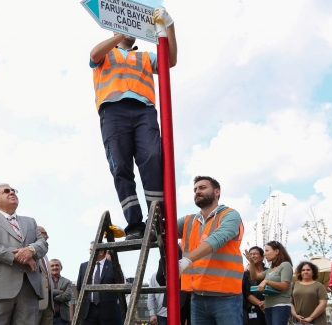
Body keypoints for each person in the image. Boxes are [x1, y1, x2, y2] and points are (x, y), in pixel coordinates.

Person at [89, 6, 178, 240]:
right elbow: (94, 54)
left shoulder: (146, 56)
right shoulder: (107, 53)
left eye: (132, 30)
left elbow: (171, 61)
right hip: (113, 112)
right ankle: (134, 223)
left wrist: (170, 26)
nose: (129, 33)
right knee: (120, 166)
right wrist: (121, 29)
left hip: (143, 111)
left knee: (152, 157)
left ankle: (156, 216)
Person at [0, 184, 48, 325]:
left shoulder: (30, 222)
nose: (12, 192)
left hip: (29, 289)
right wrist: (20, 256)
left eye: (14, 190)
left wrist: (31, 250)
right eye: (6, 191)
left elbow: (43, 244)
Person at [177, 176, 244, 324]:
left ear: (217, 192)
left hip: (226, 297)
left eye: (202, 188)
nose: (197, 192)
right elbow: (163, 231)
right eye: (195, 190)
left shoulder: (230, 215)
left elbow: (218, 238)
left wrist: (186, 261)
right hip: (197, 297)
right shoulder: (188, 221)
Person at [244, 241, 293, 325]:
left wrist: (266, 281)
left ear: (276, 251)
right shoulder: (269, 270)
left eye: (267, 251)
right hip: (268, 306)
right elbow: (253, 277)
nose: (265, 254)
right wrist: (251, 262)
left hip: (280, 305)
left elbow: (284, 286)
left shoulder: (285, 265)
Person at [77, 241, 123, 325]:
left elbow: (120, 288)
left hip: (107, 312)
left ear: (101, 252)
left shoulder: (114, 266)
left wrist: (107, 300)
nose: (90, 252)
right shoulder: (84, 266)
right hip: (88, 311)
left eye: (91, 250)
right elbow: (79, 287)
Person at [156, 244, 190, 325]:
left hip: (174, 297)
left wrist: (172, 286)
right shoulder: (192, 250)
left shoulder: (170, 252)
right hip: (192, 295)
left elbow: (160, 276)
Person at [242, 246, 267, 325]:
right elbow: (246, 292)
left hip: (269, 305)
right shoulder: (246, 274)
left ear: (262, 256)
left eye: (255, 254)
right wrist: (260, 304)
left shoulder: (269, 271)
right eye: (251, 254)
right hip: (253, 308)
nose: (252, 256)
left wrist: (266, 302)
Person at [37, 226, 55, 325]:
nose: (47, 236)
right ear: (38, 234)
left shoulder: (45, 256)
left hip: (48, 304)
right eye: (45, 233)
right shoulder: (30, 254)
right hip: (36, 304)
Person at [50, 259, 72, 325]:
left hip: (62, 318)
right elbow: (44, 294)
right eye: (52, 266)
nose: (55, 267)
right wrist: (58, 292)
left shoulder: (67, 281)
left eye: (57, 265)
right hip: (47, 317)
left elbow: (67, 296)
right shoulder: (45, 281)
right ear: (48, 268)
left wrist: (52, 298)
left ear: (61, 268)